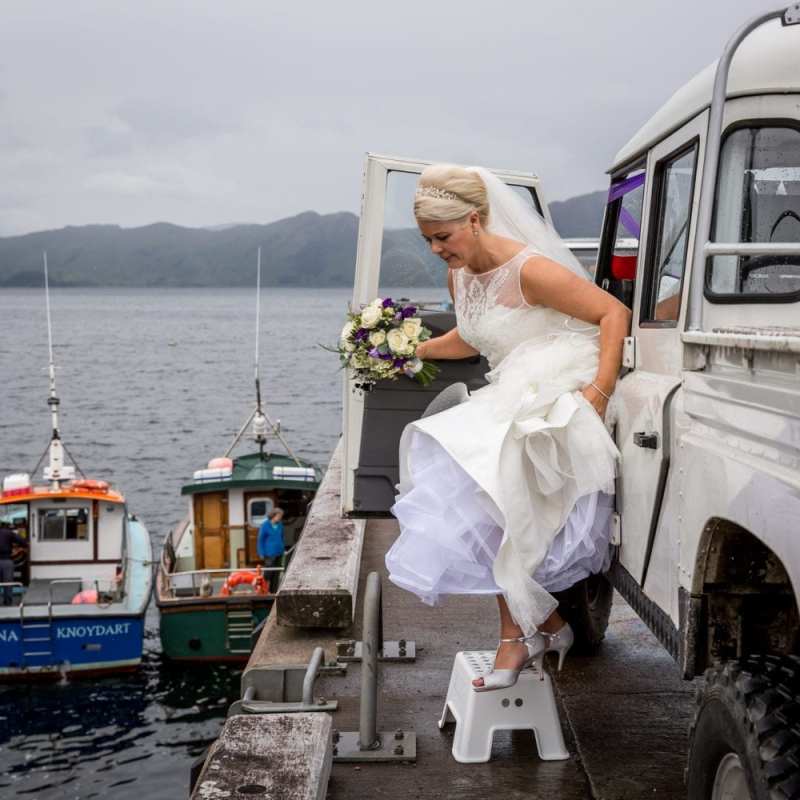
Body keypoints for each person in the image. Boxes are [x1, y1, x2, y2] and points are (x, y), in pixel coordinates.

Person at [385, 164, 631, 691]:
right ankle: (537, 626)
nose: (435, 250)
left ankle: (526, 634)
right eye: (427, 240)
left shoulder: (531, 270)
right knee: (485, 501)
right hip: (512, 386)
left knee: (490, 492)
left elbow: (613, 313)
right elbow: (474, 337)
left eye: (443, 237)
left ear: (474, 220)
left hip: (557, 382)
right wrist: (412, 348)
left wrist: (600, 392)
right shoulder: (459, 273)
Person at [0, 523, 28, 606]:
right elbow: (23, 542)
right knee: (8, 583)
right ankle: (7, 603)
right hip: (6, 561)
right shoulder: (8, 533)